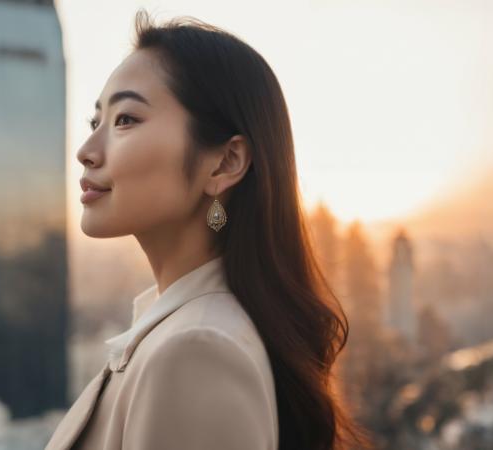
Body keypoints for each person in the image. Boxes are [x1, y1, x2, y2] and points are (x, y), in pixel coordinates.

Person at [45, 9, 373, 450]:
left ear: (225, 163)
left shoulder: (195, 351)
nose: (86, 151)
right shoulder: (176, 329)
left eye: (125, 119)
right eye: (95, 122)